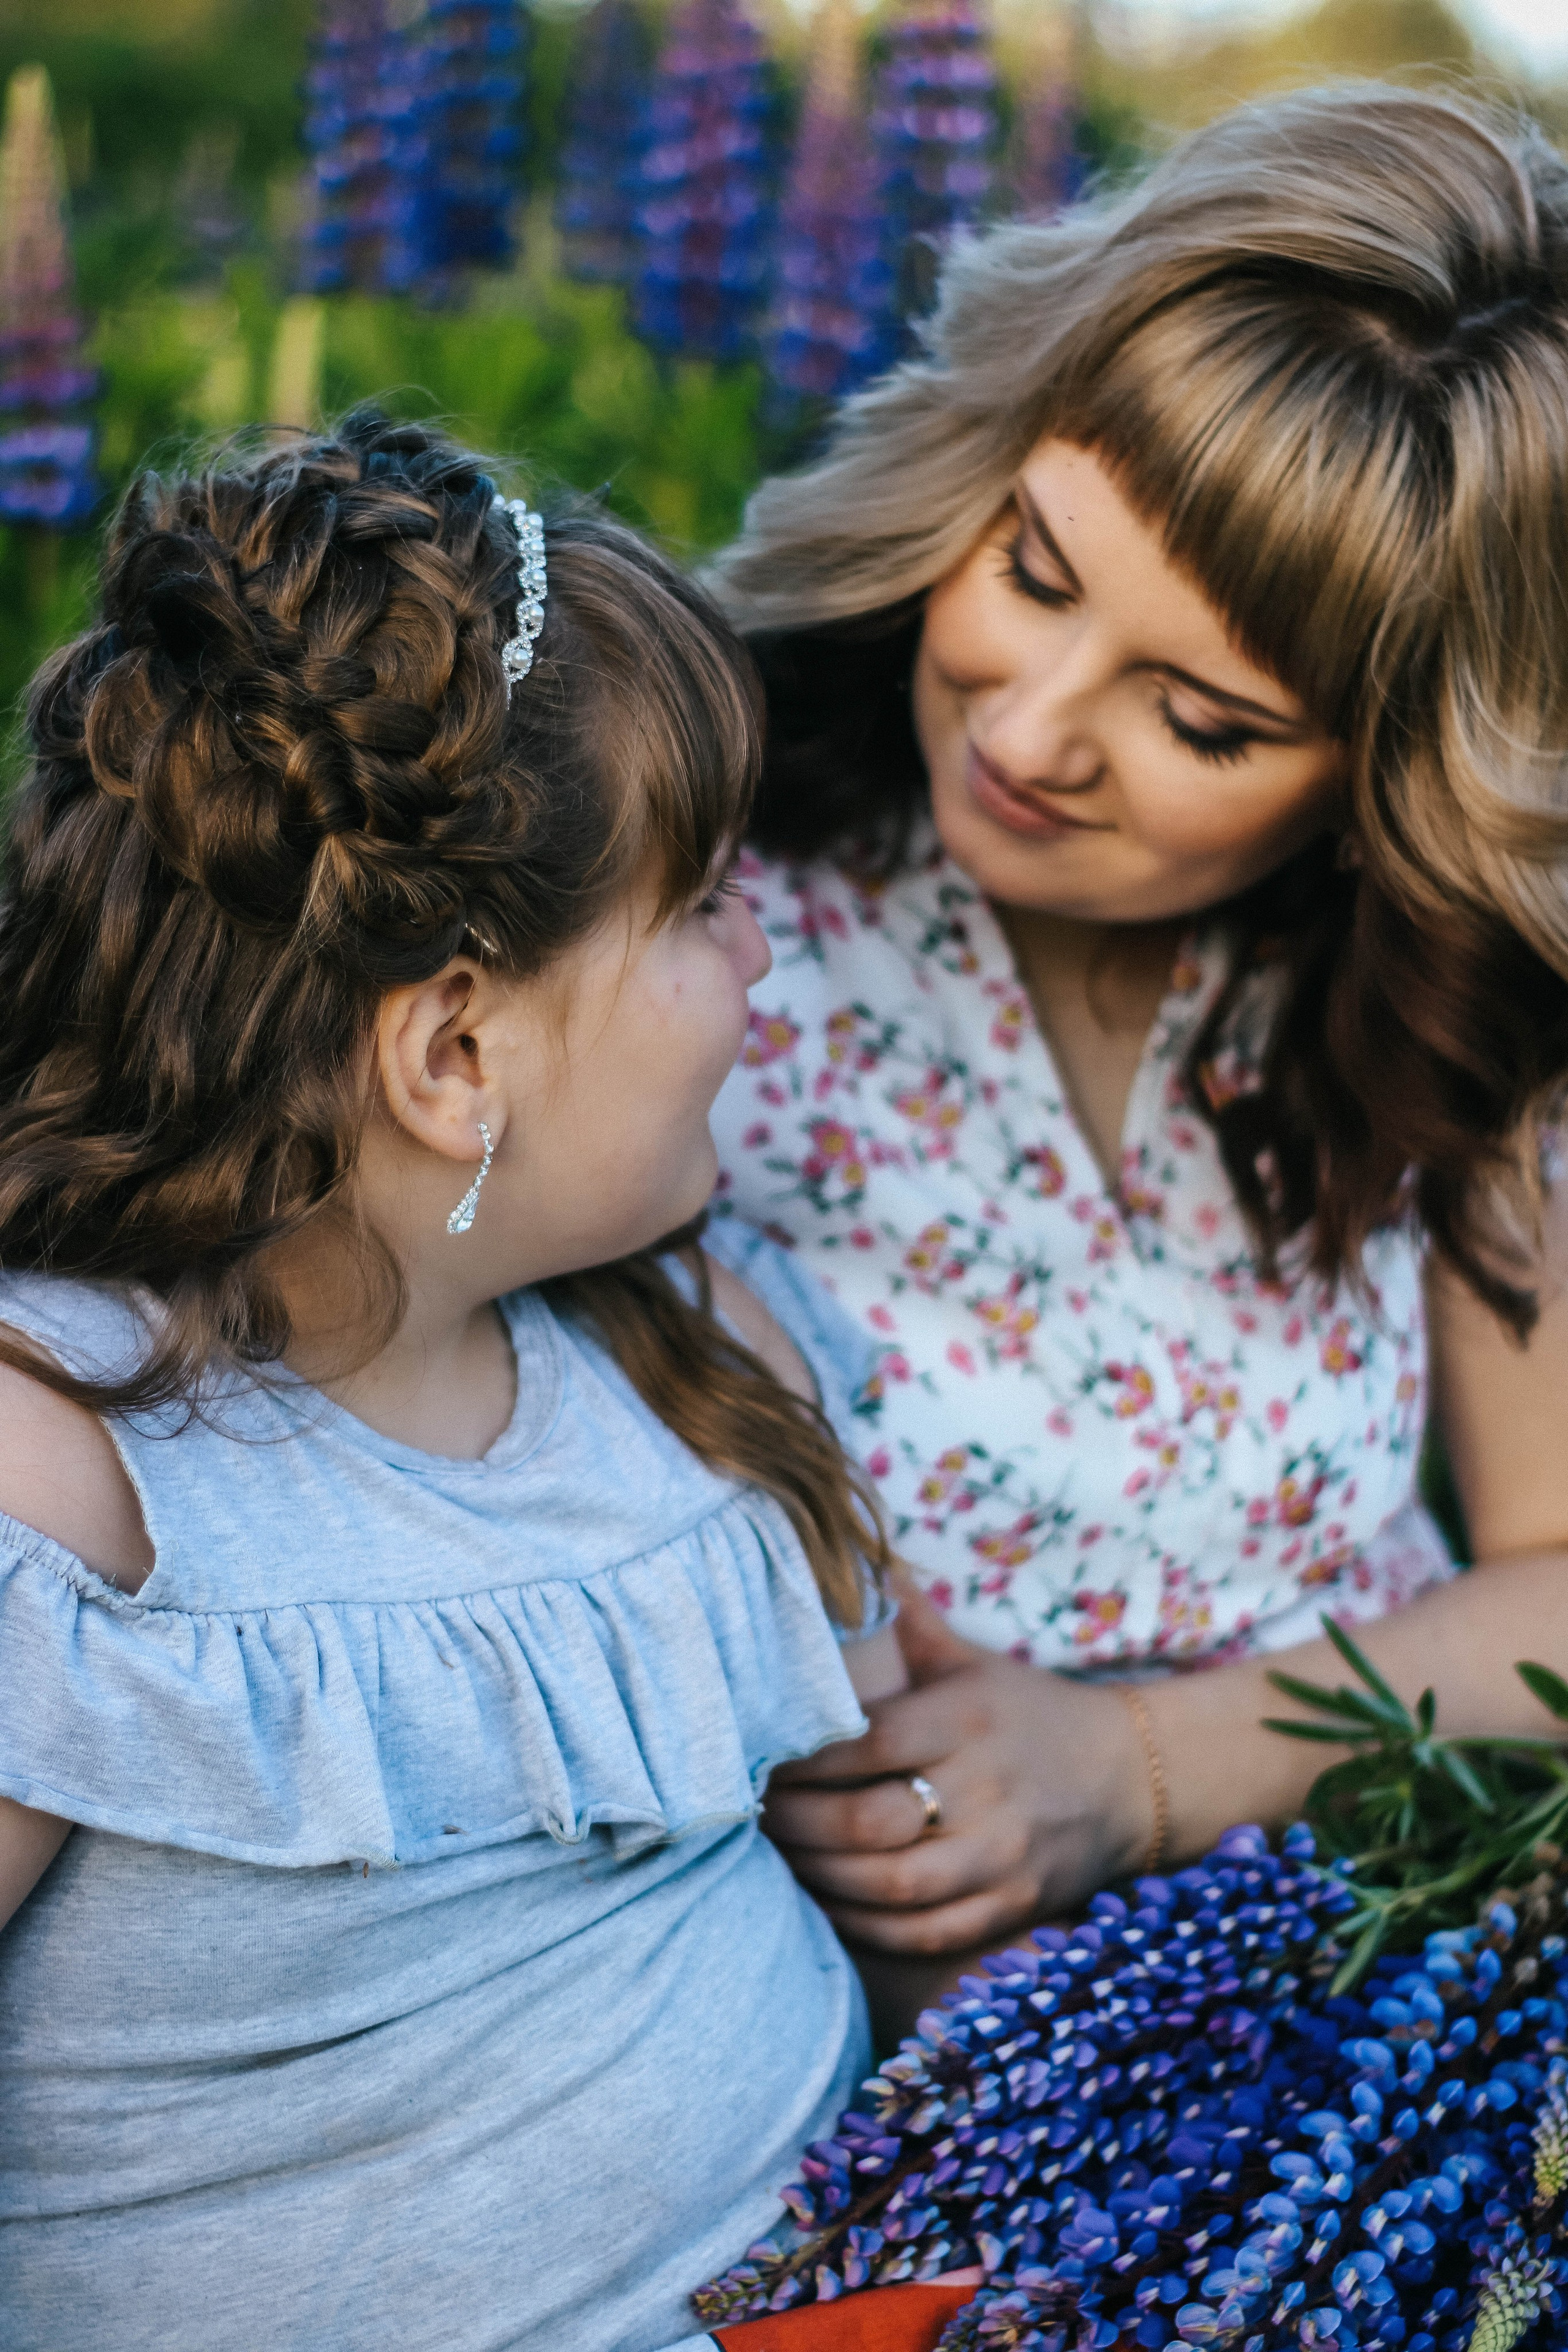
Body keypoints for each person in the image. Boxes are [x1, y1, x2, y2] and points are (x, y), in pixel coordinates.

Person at [0, 413, 914, 2352]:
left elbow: (894, 1824)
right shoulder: (71, 1484)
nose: (764, 955)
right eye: (701, 908)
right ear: (452, 1061)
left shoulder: (688, 1356)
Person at [706, 84, 1568, 1966]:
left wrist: (1147, 1766)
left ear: (1383, 782)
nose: (1026, 735)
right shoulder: (680, 880)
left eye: (1204, 722)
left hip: (1381, 1991)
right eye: (1031, 568)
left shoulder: (1454, 1019)